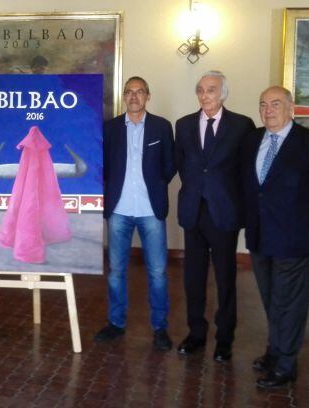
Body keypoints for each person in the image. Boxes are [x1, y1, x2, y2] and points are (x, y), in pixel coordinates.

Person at [241, 86, 309, 388]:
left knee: (290, 304)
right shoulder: (252, 140)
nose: (268, 110)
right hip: (260, 237)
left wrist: (306, 221)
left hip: (295, 239)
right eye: (263, 105)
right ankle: (274, 352)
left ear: (290, 108)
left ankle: (285, 366)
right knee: (272, 299)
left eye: (275, 104)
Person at [174, 71, 255, 361]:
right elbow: (183, 165)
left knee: (225, 277)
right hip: (193, 210)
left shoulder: (242, 125)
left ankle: (225, 338)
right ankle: (196, 333)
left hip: (224, 211)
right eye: (200, 90)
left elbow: (247, 170)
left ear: (223, 93)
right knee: (193, 277)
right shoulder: (183, 125)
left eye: (210, 90)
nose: (204, 95)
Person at [95, 76, 176, 350]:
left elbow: (169, 167)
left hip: (151, 209)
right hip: (118, 210)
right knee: (116, 271)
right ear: (124, 97)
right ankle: (116, 323)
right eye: (129, 92)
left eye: (139, 92)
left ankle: (160, 327)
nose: (133, 97)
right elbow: (102, 165)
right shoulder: (110, 128)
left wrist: (154, 184)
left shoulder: (162, 127)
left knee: (158, 272)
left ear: (148, 96)